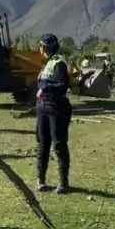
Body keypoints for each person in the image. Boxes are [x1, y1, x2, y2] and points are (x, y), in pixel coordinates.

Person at [35, 34, 72, 193]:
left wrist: (45, 87)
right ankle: (41, 180)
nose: (40, 49)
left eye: (41, 46)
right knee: (43, 143)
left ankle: (63, 182)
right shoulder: (48, 63)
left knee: (58, 144)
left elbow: (63, 85)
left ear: (44, 47)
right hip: (43, 107)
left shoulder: (59, 63)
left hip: (57, 107)